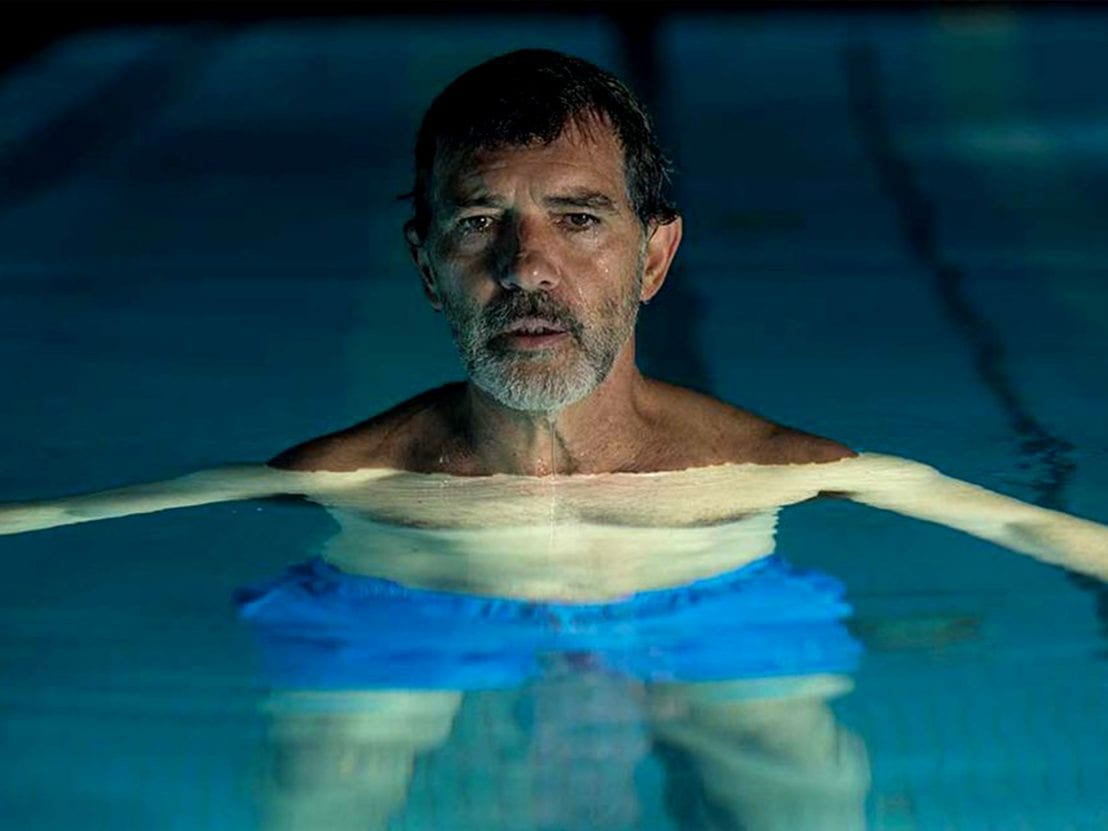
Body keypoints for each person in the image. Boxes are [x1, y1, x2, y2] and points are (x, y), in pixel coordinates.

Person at [2, 49, 1106, 830]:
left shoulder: (769, 467)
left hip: (711, 612)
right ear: (426, 263)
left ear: (653, 256)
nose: (527, 266)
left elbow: (1025, 527)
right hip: (401, 607)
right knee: (319, 792)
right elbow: (72, 514)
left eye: (577, 219)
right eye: (481, 221)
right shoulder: (347, 475)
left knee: (808, 791)